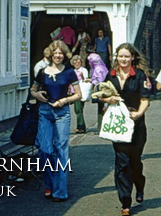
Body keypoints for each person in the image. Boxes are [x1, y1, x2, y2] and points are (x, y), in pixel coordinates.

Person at [97, 43, 152, 216]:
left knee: (135, 162)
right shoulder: (110, 75)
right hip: (118, 126)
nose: (123, 59)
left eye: (127, 56)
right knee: (122, 163)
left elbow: (145, 100)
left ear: (132, 58)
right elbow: (102, 96)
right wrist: (109, 100)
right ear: (116, 57)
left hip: (136, 125)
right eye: (120, 56)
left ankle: (140, 186)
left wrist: (138, 114)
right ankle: (125, 203)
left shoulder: (139, 76)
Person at [29, 40, 82, 202]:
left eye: (60, 53)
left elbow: (78, 95)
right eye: (55, 53)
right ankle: (49, 184)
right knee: (44, 149)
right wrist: (37, 95)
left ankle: (60, 191)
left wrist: (64, 100)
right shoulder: (43, 71)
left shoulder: (69, 72)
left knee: (61, 149)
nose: (58, 56)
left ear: (64, 54)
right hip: (45, 112)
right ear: (50, 54)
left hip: (62, 113)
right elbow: (33, 90)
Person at [88, 52, 110, 131]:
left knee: (101, 108)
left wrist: (92, 82)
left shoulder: (97, 69)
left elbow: (100, 80)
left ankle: (100, 127)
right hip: (105, 87)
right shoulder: (102, 67)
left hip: (100, 89)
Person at [70, 55, 90, 133]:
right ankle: (81, 127)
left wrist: (82, 77)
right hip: (74, 92)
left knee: (78, 109)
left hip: (81, 92)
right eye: (75, 62)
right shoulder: (72, 71)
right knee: (78, 110)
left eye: (78, 62)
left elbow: (86, 80)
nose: (77, 64)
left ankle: (81, 127)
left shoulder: (84, 70)